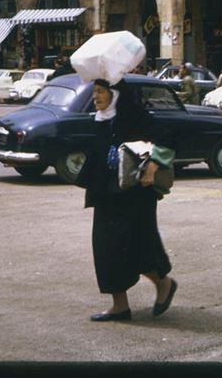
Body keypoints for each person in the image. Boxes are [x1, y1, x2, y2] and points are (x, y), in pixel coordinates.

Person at [75, 78, 178, 322]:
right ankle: (119, 306)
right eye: (94, 92)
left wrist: (153, 167)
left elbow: (168, 140)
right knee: (106, 249)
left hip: (134, 194)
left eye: (101, 92)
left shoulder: (133, 117)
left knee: (139, 245)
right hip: (106, 194)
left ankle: (164, 284)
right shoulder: (100, 120)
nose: (96, 97)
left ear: (115, 95)